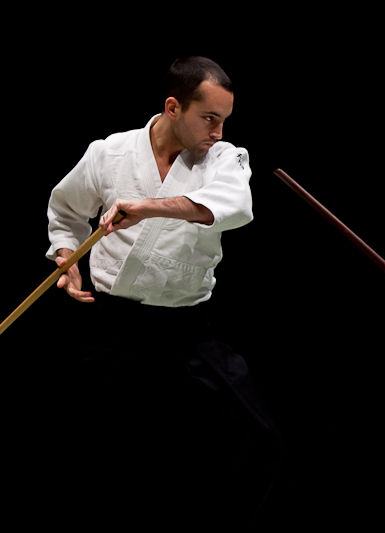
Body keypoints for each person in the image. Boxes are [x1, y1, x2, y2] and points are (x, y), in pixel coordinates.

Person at [45, 56, 281, 530]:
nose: (218, 131)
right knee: (110, 453)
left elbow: (235, 206)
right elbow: (66, 210)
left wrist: (148, 207)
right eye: (209, 118)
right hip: (113, 327)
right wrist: (66, 256)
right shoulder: (109, 153)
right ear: (174, 107)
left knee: (257, 437)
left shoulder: (224, 159)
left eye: (224, 120)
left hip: (186, 331)